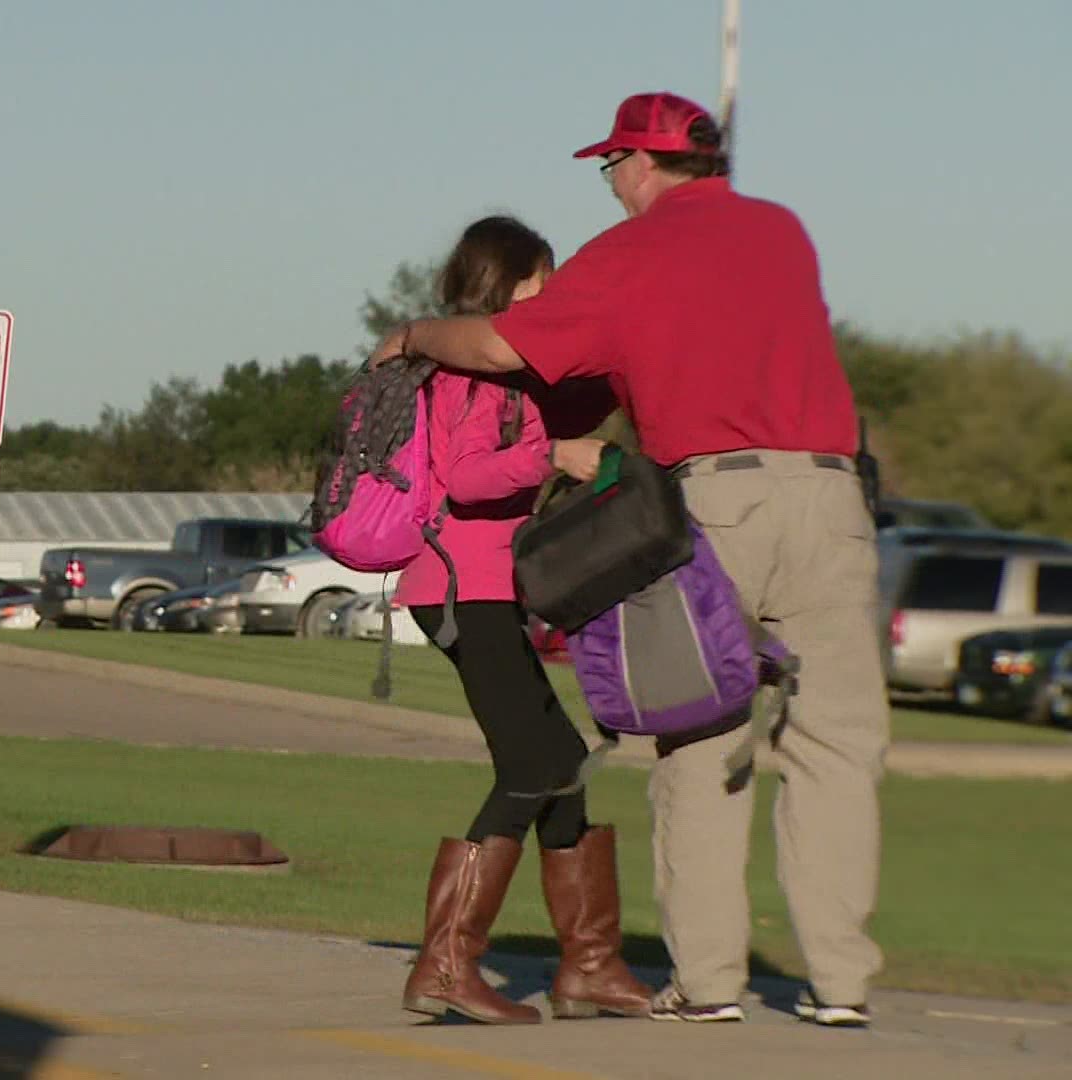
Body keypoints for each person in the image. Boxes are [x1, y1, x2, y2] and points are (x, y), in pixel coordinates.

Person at [372, 92, 887, 1028]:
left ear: (641, 165)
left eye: (611, 167)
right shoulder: (783, 233)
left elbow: (494, 342)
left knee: (702, 734)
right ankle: (843, 983)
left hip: (721, 497)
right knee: (837, 747)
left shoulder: (632, 251)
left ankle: (710, 983)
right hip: (834, 493)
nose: (610, 184)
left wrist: (412, 336)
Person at [394, 215, 654, 1025]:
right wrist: (555, 456)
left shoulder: (497, 377)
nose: (553, 295)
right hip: (457, 588)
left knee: (564, 761)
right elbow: (466, 478)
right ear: (507, 282)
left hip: (484, 587)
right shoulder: (467, 372)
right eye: (543, 279)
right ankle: (445, 965)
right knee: (532, 768)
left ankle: (590, 966)